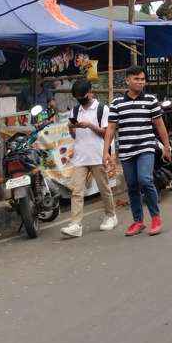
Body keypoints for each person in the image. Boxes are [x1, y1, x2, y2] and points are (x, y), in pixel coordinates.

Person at [103, 66, 171, 236]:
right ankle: (138, 221)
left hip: (146, 147)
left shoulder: (150, 100)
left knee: (145, 179)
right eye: (136, 79)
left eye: (142, 79)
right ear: (127, 80)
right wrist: (106, 152)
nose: (140, 82)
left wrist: (166, 146)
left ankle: (155, 218)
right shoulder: (117, 103)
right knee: (132, 185)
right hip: (126, 151)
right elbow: (111, 128)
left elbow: (160, 125)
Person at [61, 79, 118, 238]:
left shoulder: (102, 109)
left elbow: (107, 133)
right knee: (76, 191)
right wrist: (72, 127)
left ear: (90, 92)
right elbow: (74, 136)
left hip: (98, 156)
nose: (80, 100)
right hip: (80, 157)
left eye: (82, 96)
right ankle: (75, 224)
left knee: (104, 188)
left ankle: (111, 215)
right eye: (77, 98)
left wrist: (90, 126)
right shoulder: (75, 111)